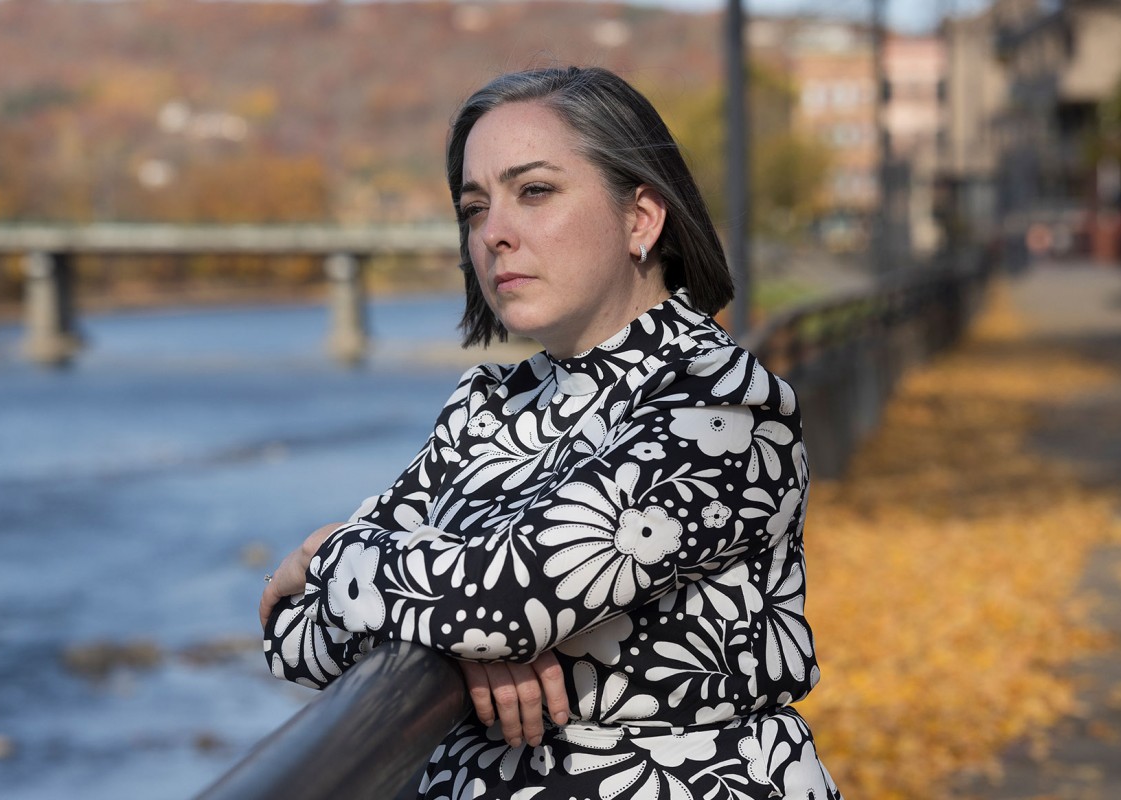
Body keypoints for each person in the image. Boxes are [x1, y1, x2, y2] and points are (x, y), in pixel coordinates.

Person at [258, 66, 841, 800]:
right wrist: (461, 638)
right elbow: (293, 637)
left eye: (533, 192)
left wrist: (327, 555)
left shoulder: (721, 410)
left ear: (640, 218)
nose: (493, 233)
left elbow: (502, 600)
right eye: (474, 207)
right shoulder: (488, 409)